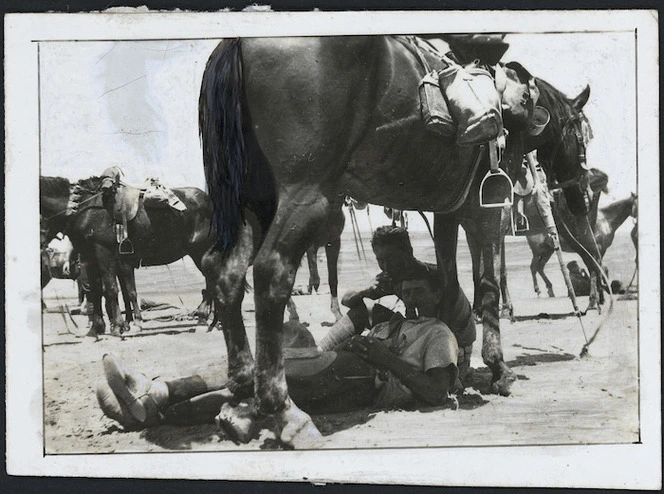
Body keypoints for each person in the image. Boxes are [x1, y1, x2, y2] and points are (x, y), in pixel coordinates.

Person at [96, 269, 459, 431]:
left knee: (263, 374)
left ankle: (156, 396)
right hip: (348, 367)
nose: (411, 298)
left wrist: (384, 358)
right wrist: (322, 345)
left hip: (372, 379)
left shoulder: (438, 332)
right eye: (407, 291)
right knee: (253, 378)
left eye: (420, 292)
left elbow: (437, 391)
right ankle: (152, 408)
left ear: (438, 294)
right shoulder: (391, 318)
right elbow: (354, 305)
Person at [334, 226, 475, 380]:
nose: (386, 266)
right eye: (380, 260)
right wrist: (365, 289)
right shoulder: (393, 277)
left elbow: (454, 326)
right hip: (423, 334)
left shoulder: (433, 277)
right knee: (363, 311)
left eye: (390, 258)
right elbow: (346, 300)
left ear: (408, 252)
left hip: (452, 341)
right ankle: (323, 352)